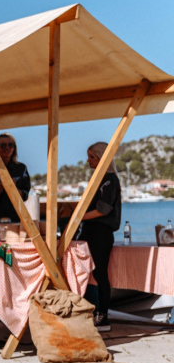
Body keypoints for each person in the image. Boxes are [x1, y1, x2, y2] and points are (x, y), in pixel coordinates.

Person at [77, 141, 120, 332]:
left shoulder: (109, 179)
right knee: (91, 272)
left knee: (101, 273)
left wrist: (77, 217)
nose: (88, 161)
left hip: (101, 232)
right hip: (91, 230)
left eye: (92, 157)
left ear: (101, 157)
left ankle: (103, 316)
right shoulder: (99, 177)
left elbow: (103, 209)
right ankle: (92, 312)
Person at [0, 133, 30, 222]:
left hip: (16, 217)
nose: (7, 148)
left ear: (14, 148)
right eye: (3, 145)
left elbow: (25, 195)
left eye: (10, 145)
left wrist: (13, 188)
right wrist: (4, 184)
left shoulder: (21, 168)